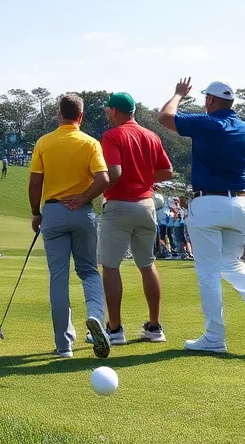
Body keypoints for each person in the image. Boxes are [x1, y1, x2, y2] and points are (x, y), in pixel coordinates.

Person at [159, 78, 245, 354]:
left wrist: (178, 94)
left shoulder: (206, 123)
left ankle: (215, 336)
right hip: (239, 203)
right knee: (232, 264)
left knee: (208, 272)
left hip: (207, 202)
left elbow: (165, 117)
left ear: (210, 101)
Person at [29, 93, 111, 360]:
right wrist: (84, 198)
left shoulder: (44, 142)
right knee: (88, 271)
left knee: (58, 278)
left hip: (52, 212)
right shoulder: (90, 143)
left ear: (58, 114)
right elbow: (103, 179)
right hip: (82, 213)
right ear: (81, 116)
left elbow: (34, 183)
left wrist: (35, 213)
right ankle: (95, 316)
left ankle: (64, 347)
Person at [95, 91, 173, 346]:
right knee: (147, 265)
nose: (107, 113)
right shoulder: (151, 135)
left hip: (119, 205)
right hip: (147, 205)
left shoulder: (112, 135)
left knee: (111, 266)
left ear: (114, 111)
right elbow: (167, 172)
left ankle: (115, 330)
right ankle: (154, 326)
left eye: (108, 109)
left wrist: (97, 189)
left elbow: (114, 172)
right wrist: (143, 179)